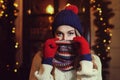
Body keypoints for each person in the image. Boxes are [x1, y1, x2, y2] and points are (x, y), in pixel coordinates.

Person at [29, 5, 102, 80]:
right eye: (59, 33)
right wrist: (47, 61)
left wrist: (86, 59)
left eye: (70, 33)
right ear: (54, 35)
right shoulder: (39, 58)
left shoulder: (94, 60)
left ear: (77, 34)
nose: (65, 38)